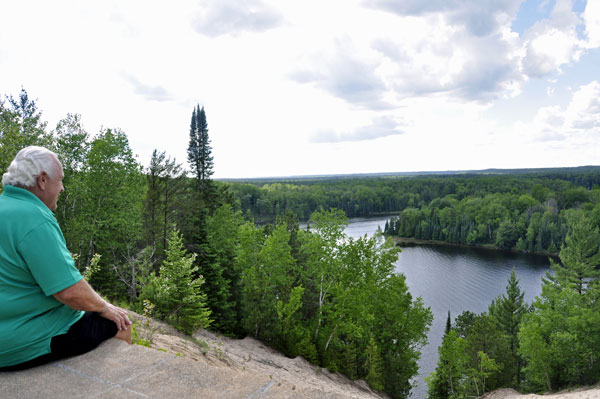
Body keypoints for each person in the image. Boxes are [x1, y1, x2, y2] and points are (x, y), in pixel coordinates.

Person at [0, 146, 132, 371]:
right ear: (42, 180)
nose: (62, 188)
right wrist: (104, 307)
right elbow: (68, 291)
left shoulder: (5, 206)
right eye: (59, 180)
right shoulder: (35, 218)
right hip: (19, 342)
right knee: (120, 323)